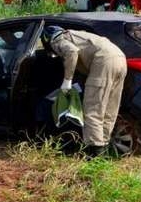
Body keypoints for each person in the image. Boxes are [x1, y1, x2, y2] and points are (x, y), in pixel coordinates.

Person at [41, 26, 127, 157]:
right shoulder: (78, 35)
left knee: (93, 110)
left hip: (103, 62)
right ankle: (103, 149)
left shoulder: (57, 39)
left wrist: (67, 80)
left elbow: (72, 52)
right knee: (109, 111)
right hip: (120, 58)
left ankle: (95, 155)